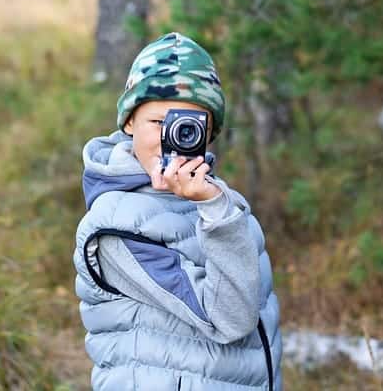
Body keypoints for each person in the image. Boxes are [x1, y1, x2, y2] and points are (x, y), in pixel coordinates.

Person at [73, 32, 282, 390]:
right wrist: (215, 211)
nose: (171, 137)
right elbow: (229, 319)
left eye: (188, 126)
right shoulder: (115, 228)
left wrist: (212, 204)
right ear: (128, 123)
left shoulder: (216, 201)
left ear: (209, 133)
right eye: (158, 122)